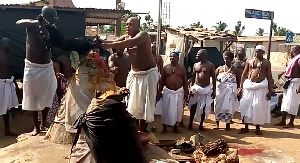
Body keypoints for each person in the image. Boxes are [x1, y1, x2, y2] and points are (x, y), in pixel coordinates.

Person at [16, 6, 99, 136]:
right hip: (32, 67)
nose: (53, 20)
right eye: (51, 17)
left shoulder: (52, 30)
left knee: (48, 94)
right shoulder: (33, 26)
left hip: (47, 66)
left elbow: (64, 43)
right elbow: (19, 22)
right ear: (44, 16)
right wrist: (36, 23)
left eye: (54, 18)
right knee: (32, 96)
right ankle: (36, 128)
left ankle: (44, 123)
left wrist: (86, 43)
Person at [101, 17, 159, 132]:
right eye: (126, 24)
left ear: (138, 26)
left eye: (131, 24)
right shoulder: (126, 37)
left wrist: (108, 46)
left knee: (144, 105)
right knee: (132, 103)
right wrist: (100, 42)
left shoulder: (143, 35)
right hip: (134, 74)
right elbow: (115, 42)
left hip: (148, 73)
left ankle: (142, 131)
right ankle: (134, 130)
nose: (127, 27)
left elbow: (129, 43)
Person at [238, 45, 273, 135]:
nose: (257, 53)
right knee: (245, 105)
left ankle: (257, 128)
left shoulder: (266, 63)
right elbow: (244, 74)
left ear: (263, 52)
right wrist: (240, 88)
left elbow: (269, 77)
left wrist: (270, 90)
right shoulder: (249, 61)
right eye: (256, 51)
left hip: (260, 87)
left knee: (258, 106)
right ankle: (246, 127)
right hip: (249, 86)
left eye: (259, 51)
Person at [157, 51, 188, 134]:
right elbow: (162, 81)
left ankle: (175, 127)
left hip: (178, 92)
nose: (172, 58)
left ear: (178, 58)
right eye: (170, 57)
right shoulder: (166, 68)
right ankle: (164, 127)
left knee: (178, 110)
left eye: (173, 57)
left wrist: (186, 92)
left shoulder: (182, 68)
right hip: (167, 91)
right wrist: (159, 92)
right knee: (166, 109)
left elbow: (185, 81)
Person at [188, 49, 216, 131]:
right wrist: (191, 88)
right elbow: (193, 77)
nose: (196, 55)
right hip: (196, 88)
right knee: (193, 106)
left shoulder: (210, 65)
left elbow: (213, 78)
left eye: (198, 54)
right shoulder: (195, 65)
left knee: (204, 107)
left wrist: (213, 90)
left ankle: (201, 125)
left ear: (204, 55)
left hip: (206, 89)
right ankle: (190, 123)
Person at [214, 51, 241, 131]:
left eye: (228, 59)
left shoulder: (235, 70)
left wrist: (239, 91)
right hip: (220, 91)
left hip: (230, 93)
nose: (226, 61)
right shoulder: (219, 69)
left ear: (232, 60)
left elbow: (239, 82)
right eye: (225, 59)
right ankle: (217, 124)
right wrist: (214, 89)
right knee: (218, 106)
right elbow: (214, 80)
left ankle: (227, 125)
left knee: (229, 108)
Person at [276, 45, 300, 128]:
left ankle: (291, 122)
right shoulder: (294, 59)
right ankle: (283, 121)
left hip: (296, 83)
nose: (290, 52)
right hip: (289, 82)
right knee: (285, 102)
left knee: (293, 103)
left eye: (291, 51)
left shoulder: (299, 59)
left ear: (295, 51)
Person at [0, 38, 19, 136]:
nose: (9, 45)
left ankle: (7, 130)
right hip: (1, 84)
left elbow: (11, 72)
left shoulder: (9, 56)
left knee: (7, 108)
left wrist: (15, 84)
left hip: (8, 84)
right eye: (7, 44)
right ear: (2, 45)